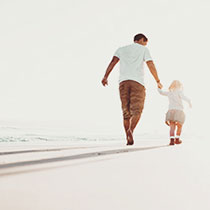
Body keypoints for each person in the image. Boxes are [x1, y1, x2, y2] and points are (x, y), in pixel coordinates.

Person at [101, 33, 162, 145]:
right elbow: (150, 64)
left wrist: (105, 76)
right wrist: (157, 80)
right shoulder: (144, 50)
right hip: (137, 83)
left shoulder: (121, 49)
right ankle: (131, 131)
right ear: (141, 40)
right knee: (137, 111)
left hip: (123, 82)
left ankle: (128, 138)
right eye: (145, 42)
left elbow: (113, 62)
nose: (145, 45)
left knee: (126, 112)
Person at [158, 80, 192, 145]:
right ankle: (177, 139)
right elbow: (183, 97)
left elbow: (161, 92)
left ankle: (171, 141)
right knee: (180, 125)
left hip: (171, 110)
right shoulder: (179, 91)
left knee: (172, 126)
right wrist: (189, 102)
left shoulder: (169, 92)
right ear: (179, 85)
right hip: (179, 110)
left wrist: (158, 87)